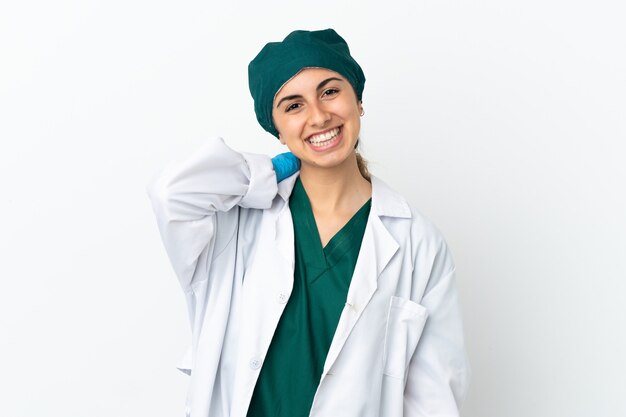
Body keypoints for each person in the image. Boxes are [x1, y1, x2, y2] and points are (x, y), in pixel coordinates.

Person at [147, 28, 470, 417]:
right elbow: (170, 193)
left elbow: (435, 399)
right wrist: (266, 170)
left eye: (330, 91)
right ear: (276, 129)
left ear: (358, 100)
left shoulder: (418, 242)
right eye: (293, 106)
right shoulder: (235, 226)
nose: (319, 116)